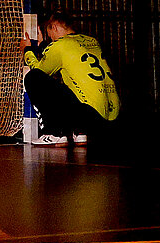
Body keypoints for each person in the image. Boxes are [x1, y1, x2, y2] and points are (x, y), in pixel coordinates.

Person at [23, 12, 119, 147]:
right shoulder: (92, 41)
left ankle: (54, 133)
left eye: (50, 36)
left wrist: (27, 50)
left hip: (87, 114)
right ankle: (81, 133)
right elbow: (68, 56)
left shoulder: (60, 45)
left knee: (33, 78)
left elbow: (39, 70)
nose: (52, 40)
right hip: (110, 118)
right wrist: (44, 45)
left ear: (55, 28)